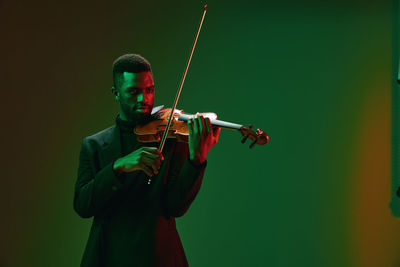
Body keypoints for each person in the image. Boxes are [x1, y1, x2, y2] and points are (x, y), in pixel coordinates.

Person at [73, 54, 220, 267]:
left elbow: (175, 207)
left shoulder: (170, 138)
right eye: (133, 92)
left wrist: (196, 159)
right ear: (116, 94)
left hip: (159, 256)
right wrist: (118, 166)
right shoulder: (94, 146)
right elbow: (83, 205)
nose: (144, 100)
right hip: (108, 256)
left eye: (149, 90)